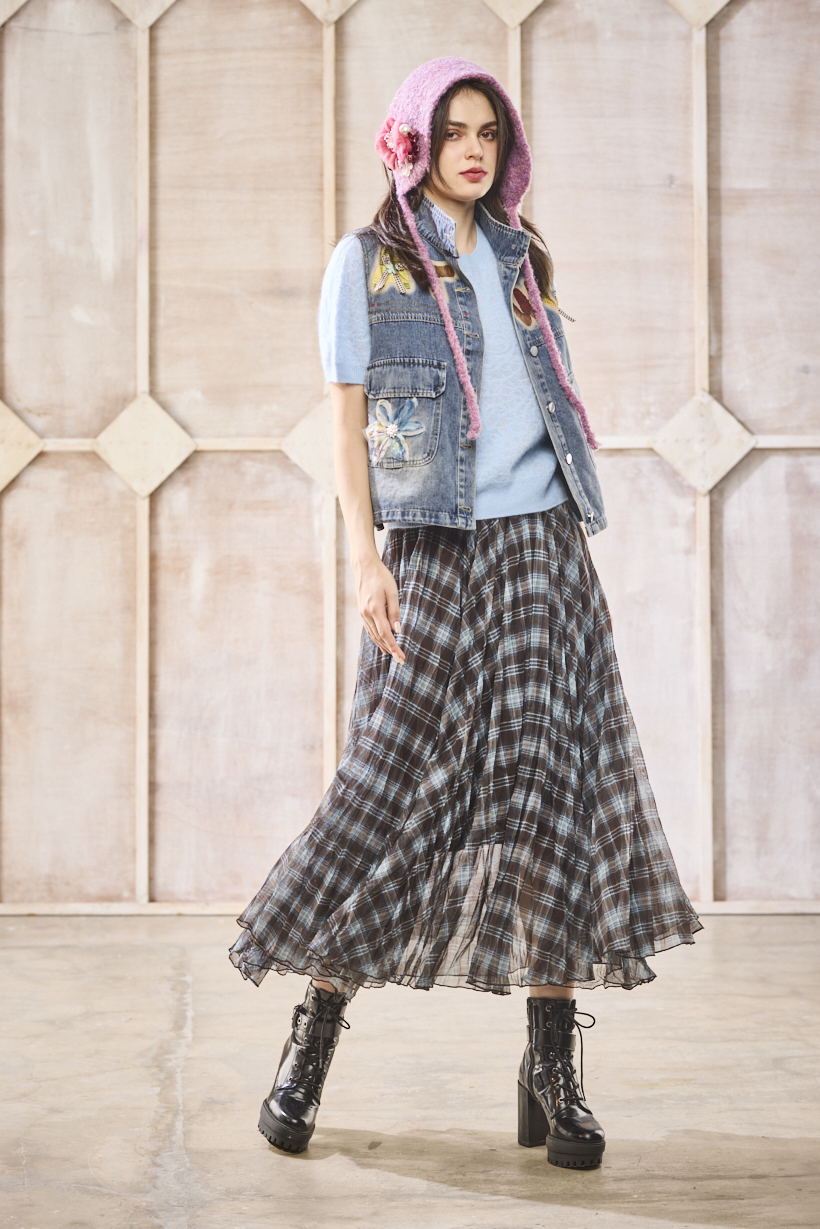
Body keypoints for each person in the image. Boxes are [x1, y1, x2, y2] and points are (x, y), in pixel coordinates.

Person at [229, 57, 701, 1170]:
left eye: (489, 132)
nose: (474, 150)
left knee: (550, 798)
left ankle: (550, 1065)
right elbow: (346, 423)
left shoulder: (522, 256)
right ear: (414, 144)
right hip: (432, 549)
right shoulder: (368, 264)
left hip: (543, 546)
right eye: (453, 132)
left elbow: (544, 405)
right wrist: (365, 558)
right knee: (387, 793)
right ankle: (314, 1032)